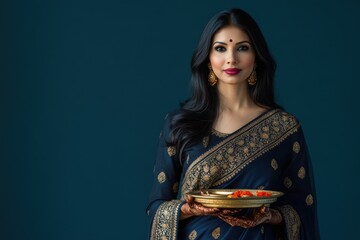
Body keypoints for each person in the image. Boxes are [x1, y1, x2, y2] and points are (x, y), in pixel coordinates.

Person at [146, 8, 319, 240]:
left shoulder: (283, 128)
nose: (231, 58)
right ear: (207, 58)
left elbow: (302, 207)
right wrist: (188, 209)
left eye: (242, 48)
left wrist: (271, 216)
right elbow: (157, 206)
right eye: (220, 48)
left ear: (256, 56)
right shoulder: (180, 124)